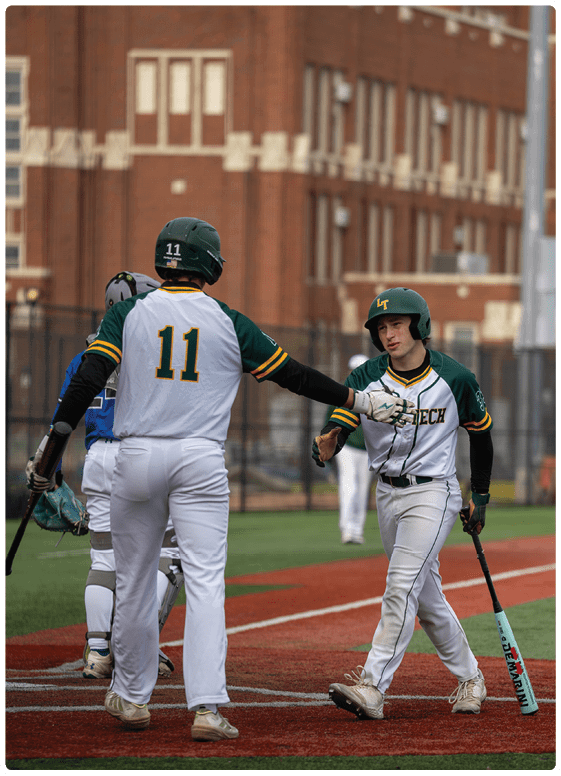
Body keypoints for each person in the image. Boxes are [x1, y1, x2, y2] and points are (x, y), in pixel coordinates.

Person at [27, 218, 416, 742]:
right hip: (200, 460)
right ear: (208, 265)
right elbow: (294, 375)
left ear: (163, 261)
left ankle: (132, 696)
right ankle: (207, 708)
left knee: (134, 580)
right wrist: (361, 399)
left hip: (135, 455)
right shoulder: (228, 320)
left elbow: (87, 379)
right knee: (206, 584)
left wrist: (51, 452)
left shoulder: (126, 312)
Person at [313, 287, 493, 719]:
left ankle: (373, 686)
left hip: (435, 491)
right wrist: (331, 440)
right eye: (381, 327)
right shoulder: (365, 377)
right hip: (387, 493)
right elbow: (342, 419)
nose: (388, 333)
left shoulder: (456, 378)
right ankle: (471, 677)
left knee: (400, 586)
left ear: (419, 325)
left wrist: (480, 497)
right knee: (425, 597)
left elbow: (481, 435)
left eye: (396, 324)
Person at [27, 272, 183, 681]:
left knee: (104, 558)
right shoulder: (153, 348)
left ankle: (98, 652)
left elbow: (64, 419)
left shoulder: (85, 356)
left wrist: (49, 469)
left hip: (97, 458)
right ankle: (139, 646)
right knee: (168, 555)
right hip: (141, 454)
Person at [328, 354, 375, 545]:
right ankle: (347, 529)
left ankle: (357, 530)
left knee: (363, 489)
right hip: (345, 446)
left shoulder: (374, 394)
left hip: (367, 449)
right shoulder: (341, 391)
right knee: (350, 486)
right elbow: (329, 420)